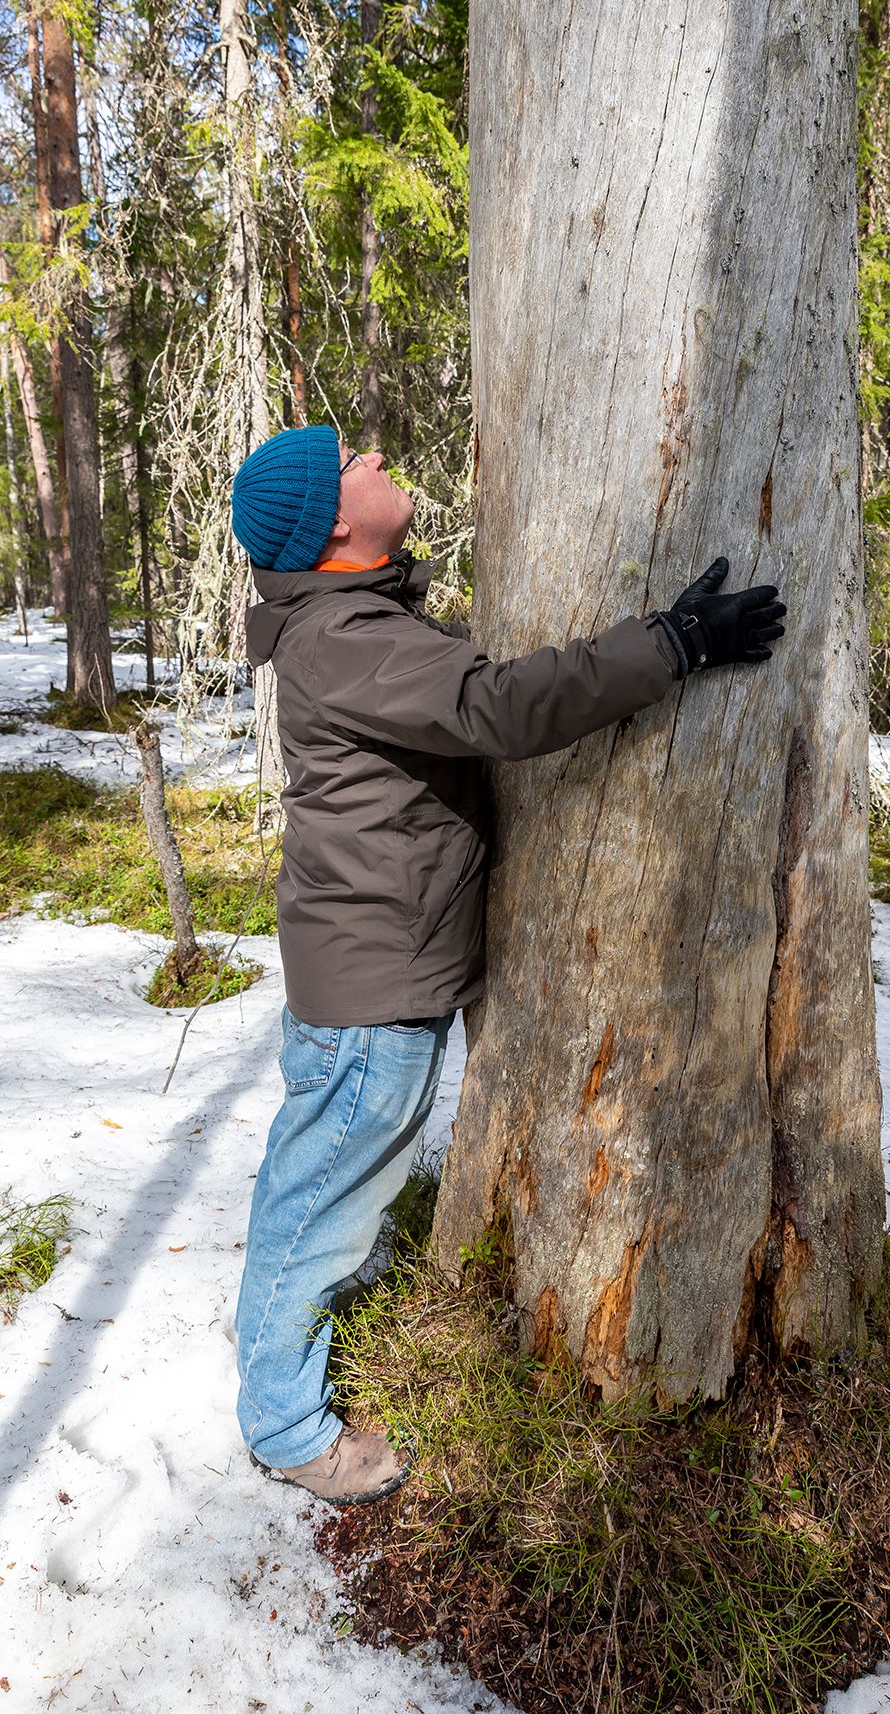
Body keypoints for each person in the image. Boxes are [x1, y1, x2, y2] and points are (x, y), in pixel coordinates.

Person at [228, 422, 786, 1506]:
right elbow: (500, 705)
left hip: (376, 973)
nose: (378, 456)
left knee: (331, 1180)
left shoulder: (353, 618)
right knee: (313, 1201)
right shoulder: (345, 638)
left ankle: (307, 1345)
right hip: (369, 995)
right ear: (334, 523)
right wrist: (672, 644)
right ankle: (286, 1427)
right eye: (354, 461)